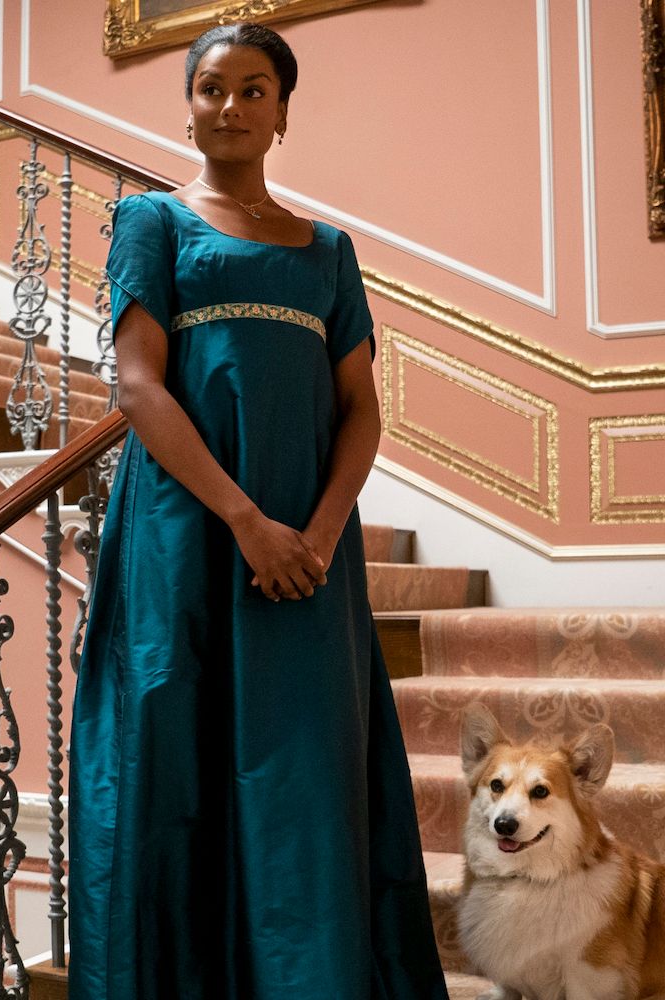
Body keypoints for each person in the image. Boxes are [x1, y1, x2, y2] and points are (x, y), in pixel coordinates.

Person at [68, 21, 448, 1000]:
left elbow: (361, 408)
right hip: (184, 536)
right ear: (187, 105)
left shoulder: (328, 253)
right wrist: (246, 522)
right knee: (173, 762)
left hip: (308, 559)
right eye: (210, 88)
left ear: (282, 112)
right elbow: (139, 386)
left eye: (251, 90)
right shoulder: (152, 222)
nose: (229, 106)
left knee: (305, 773)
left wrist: (314, 535)